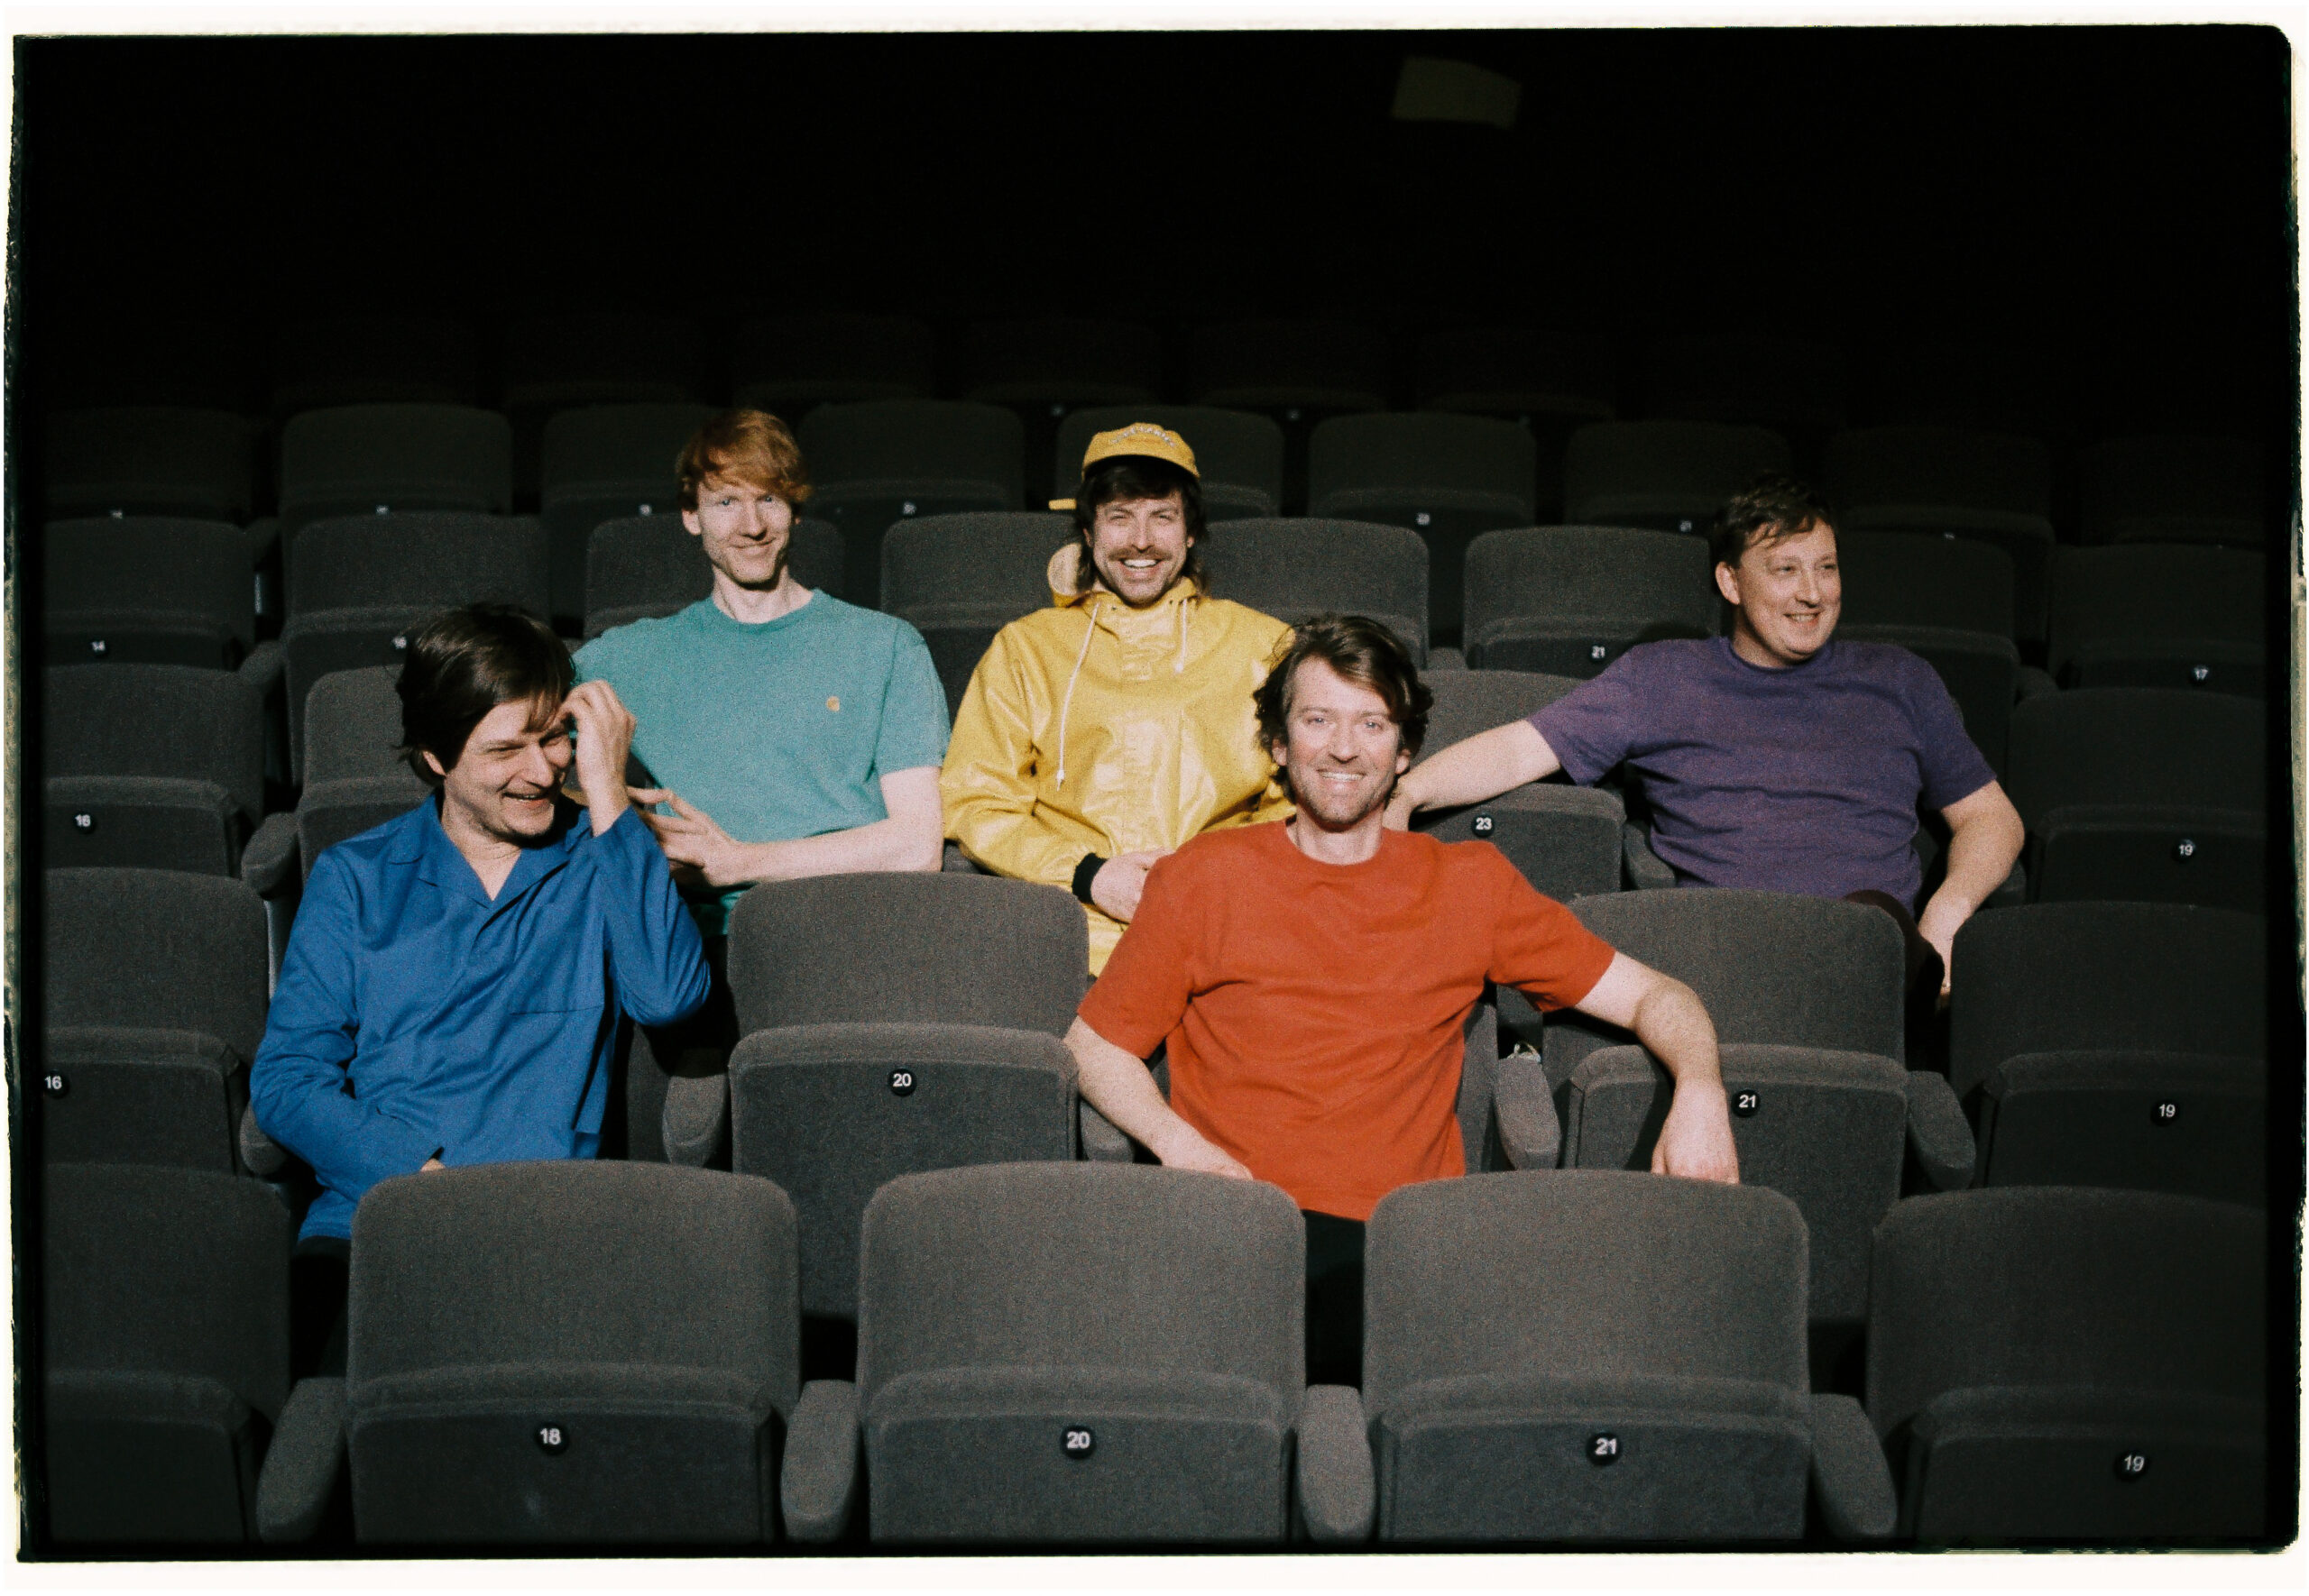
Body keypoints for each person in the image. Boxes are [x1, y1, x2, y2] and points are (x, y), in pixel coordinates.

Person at [1067, 615, 1738, 1385]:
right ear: (1279, 744)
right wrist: (1176, 1144)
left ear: (1405, 751)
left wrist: (1700, 1088)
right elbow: (1094, 1045)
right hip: (1237, 1228)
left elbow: (1658, 995)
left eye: (1372, 724)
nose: (1344, 748)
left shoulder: (1471, 884)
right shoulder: (1204, 874)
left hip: (1397, 1247)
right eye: (1317, 720)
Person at [250, 604, 712, 1371]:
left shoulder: (605, 855)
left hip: (539, 1230)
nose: (542, 771)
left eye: (554, 738)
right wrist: (416, 1179)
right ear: (435, 756)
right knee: (323, 1403)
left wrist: (607, 791)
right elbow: (287, 1082)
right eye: (505, 750)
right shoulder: (355, 878)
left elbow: (669, 997)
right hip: (375, 1219)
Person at [1386, 475, 2026, 1010]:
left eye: (1826, 568)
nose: (1812, 594)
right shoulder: (1664, 676)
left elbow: (1990, 817)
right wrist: (1409, 792)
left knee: (1870, 933)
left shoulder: (1900, 681)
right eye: (1786, 570)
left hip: (1872, 960)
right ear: (1731, 582)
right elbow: (1523, 747)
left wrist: (1947, 914)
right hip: (1729, 956)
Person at [574, 408, 949, 939]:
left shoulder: (885, 646)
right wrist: (619, 817)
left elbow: (917, 845)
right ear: (691, 515)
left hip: (851, 930)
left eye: (769, 499)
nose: (752, 527)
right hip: (694, 941)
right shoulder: (627, 657)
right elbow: (504, 750)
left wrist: (736, 862)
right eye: (726, 502)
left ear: (795, 512)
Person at [942, 422, 1293, 974]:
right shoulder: (1026, 647)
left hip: (1225, 932)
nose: (1141, 541)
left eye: (1163, 516)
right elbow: (976, 801)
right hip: (1066, 937)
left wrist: (1212, 876)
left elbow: (1295, 799)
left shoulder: (1264, 644)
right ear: (1089, 531)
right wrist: (1090, 875)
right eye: (1120, 517)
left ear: (1191, 532)